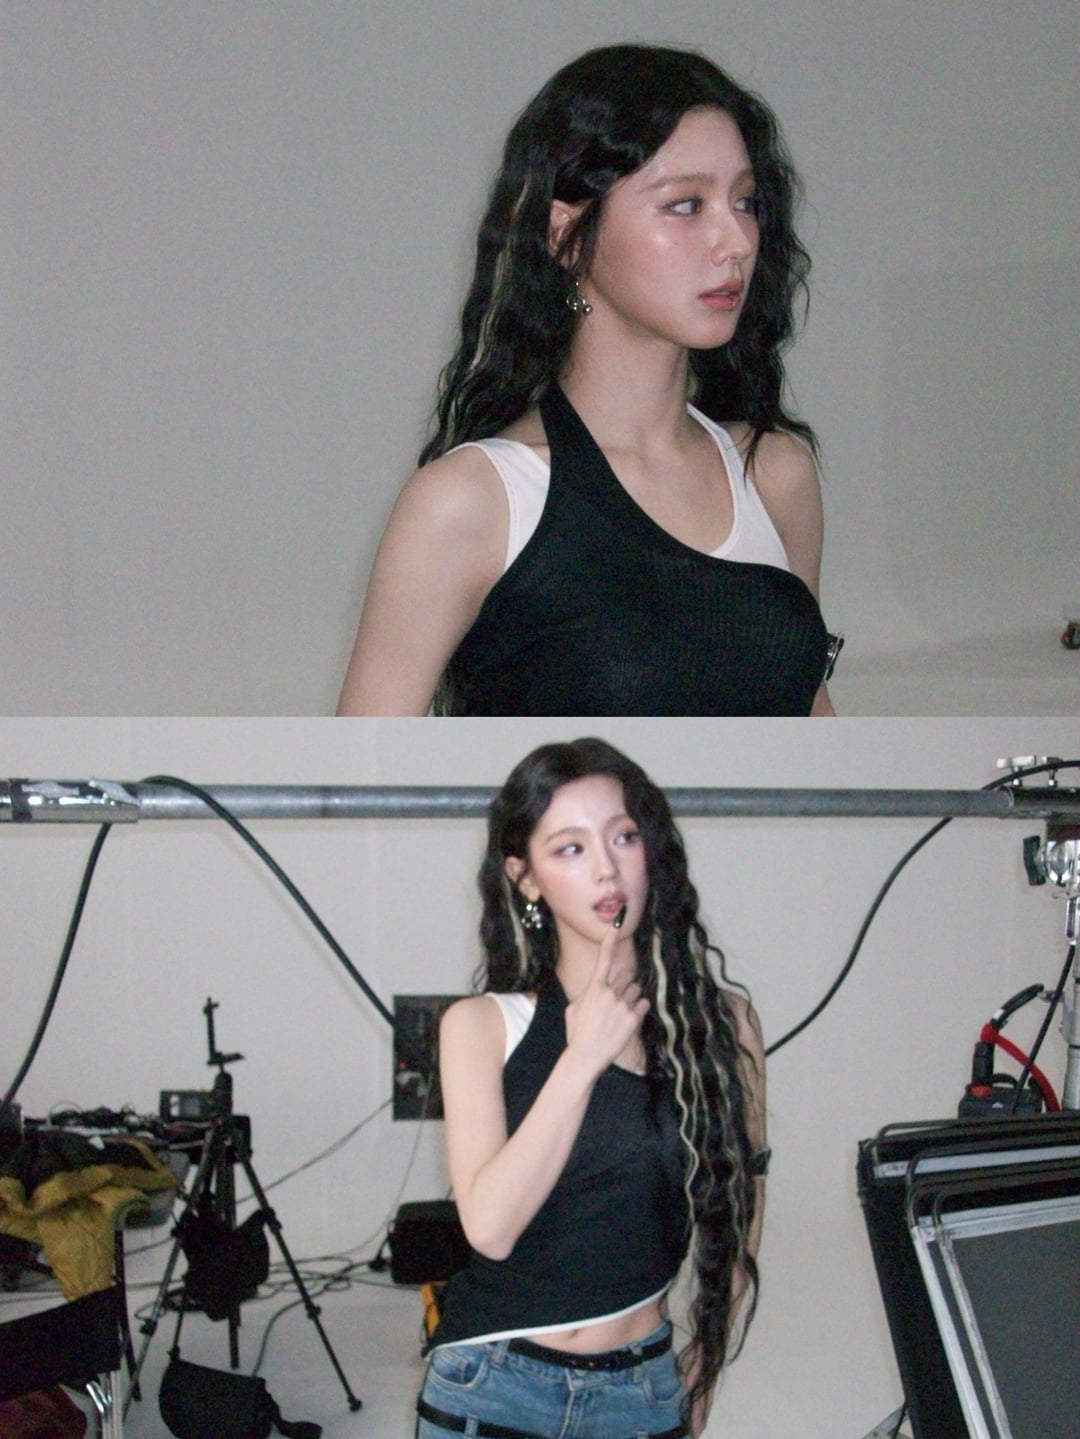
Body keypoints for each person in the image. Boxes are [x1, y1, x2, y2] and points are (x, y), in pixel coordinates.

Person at [337, 43, 841, 716]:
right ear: (566, 232)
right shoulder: (474, 502)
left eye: (745, 201)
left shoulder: (774, 475)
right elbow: (362, 773)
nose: (738, 242)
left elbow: (817, 738)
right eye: (685, 205)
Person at [416, 738, 766, 1439]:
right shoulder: (481, 1025)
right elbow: (489, 1228)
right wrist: (583, 1057)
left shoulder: (724, 1023)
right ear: (526, 878)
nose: (607, 867)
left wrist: (707, 1363)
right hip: (493, 1387)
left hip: (642, 1389)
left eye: (623, 836)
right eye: (570, 848)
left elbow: (741, 1202)